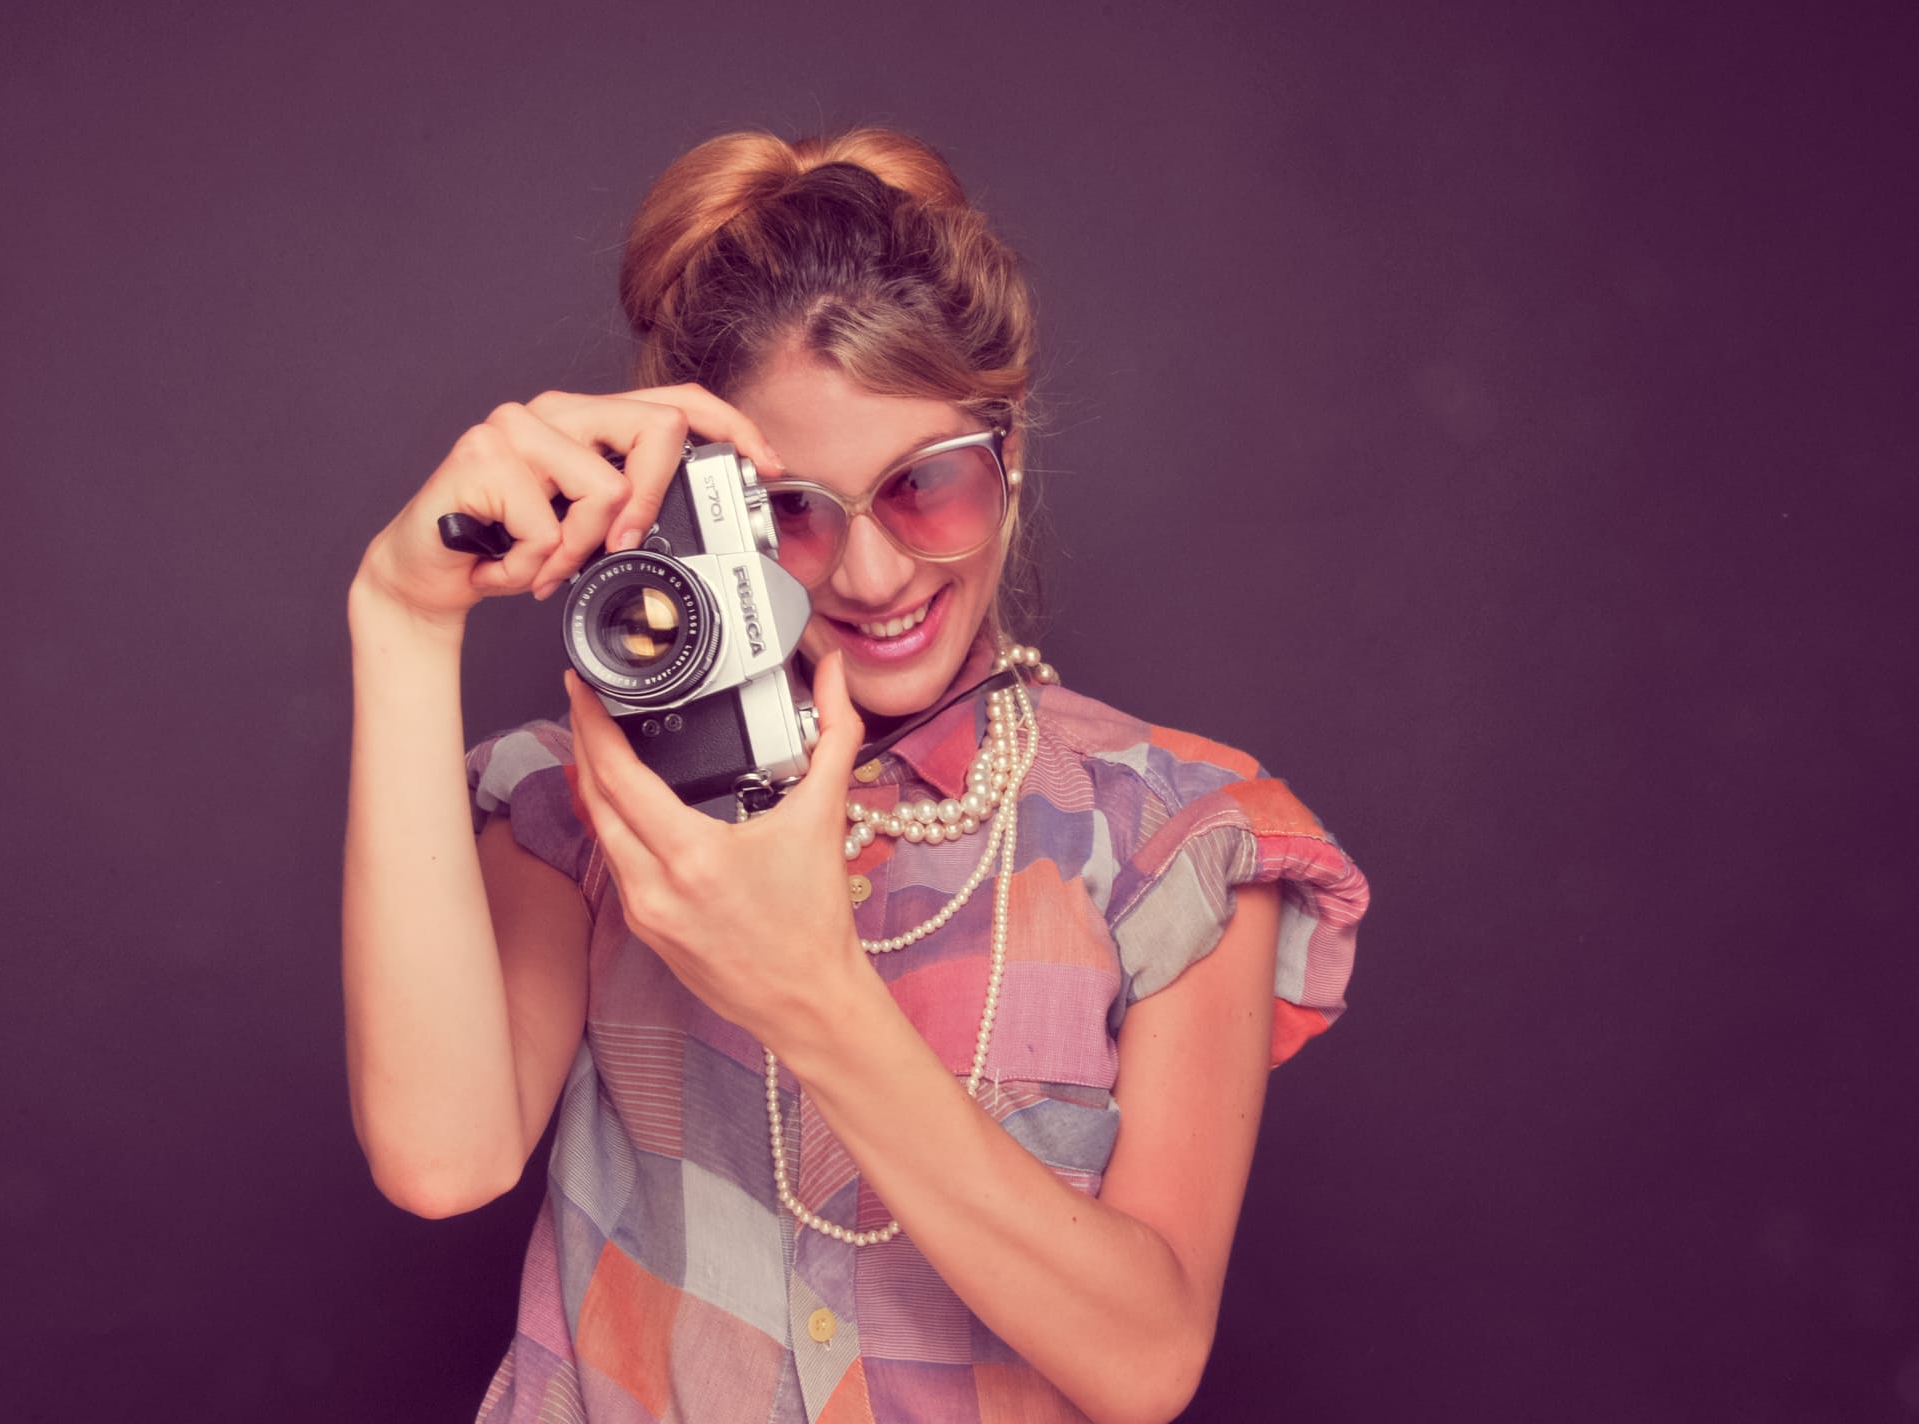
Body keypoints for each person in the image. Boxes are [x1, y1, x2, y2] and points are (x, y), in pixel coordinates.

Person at [342, 127, 1369, 1424]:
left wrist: (808, 989)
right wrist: (401, 615)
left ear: (1009, 455)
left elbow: (1145, 1360)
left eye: (926, 487)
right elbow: (442, 1161)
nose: (875, 577)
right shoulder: (603, 801)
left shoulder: (1177, 834)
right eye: (793, 511)